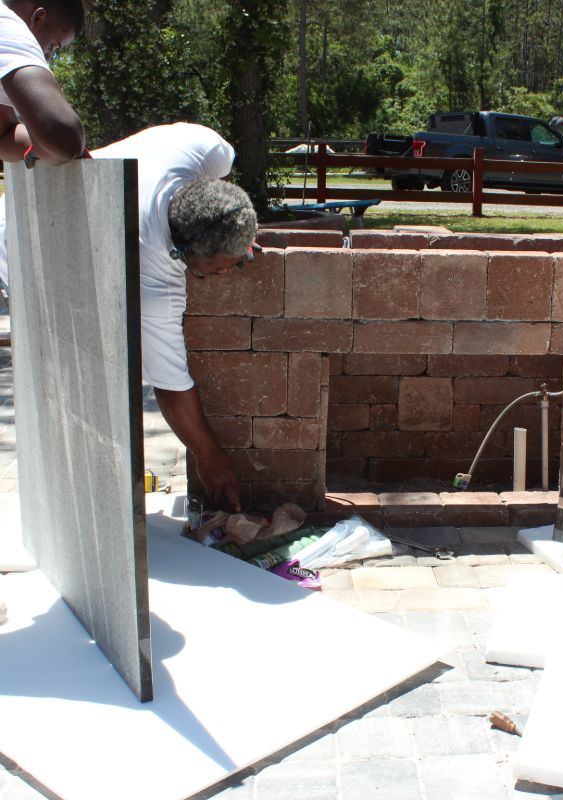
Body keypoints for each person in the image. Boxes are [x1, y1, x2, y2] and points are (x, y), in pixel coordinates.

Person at [0, 122, 256, 515]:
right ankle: (76, 508)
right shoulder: (155, 282)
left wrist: (237, 239)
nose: (226, 274)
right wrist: (209, 455)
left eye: (235, 264)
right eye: (214, 269)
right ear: (180, 252)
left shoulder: (203, 149)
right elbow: (170, 386)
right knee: (82, 371)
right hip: (24, 236)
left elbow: (223, 198)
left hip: (78, 202)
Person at [0, 0, 85, 627]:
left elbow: (11, 138)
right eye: (52, 41)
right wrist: (55, 143)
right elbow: (62, 134)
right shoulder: (4, 24)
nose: (49, 55)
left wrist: (27, 141)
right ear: (39, 11)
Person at [0, 0, 85, 163]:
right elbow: (64, 138)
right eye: (52, 47)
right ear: (38, 18)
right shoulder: (8, 27)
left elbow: (4, 136)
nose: (47, 57)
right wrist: (55, 144)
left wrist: (39, 145)